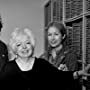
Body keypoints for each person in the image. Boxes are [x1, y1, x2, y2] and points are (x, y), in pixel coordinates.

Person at [0, 27, 90, 90]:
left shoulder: (42, 64)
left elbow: (60, 77)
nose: (24, 47)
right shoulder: (8, 68)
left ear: (32, 45)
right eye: (19, 44)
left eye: (27, 43)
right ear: (15, 49)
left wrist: (79, 73)